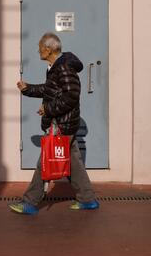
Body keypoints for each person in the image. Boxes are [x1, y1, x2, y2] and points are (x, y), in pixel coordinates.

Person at [8, 32, 99, 215]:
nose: (38, 50)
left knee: (45, 160)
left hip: (62, 124)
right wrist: (28, 89)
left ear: (48, 49)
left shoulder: (63, 67)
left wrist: (48, 109)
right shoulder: (55, 67)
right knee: (73, 163)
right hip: (65, 123)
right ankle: (88, 199)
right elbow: (50, 90)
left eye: (40, 47)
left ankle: (30, 202)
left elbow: (71, 96)